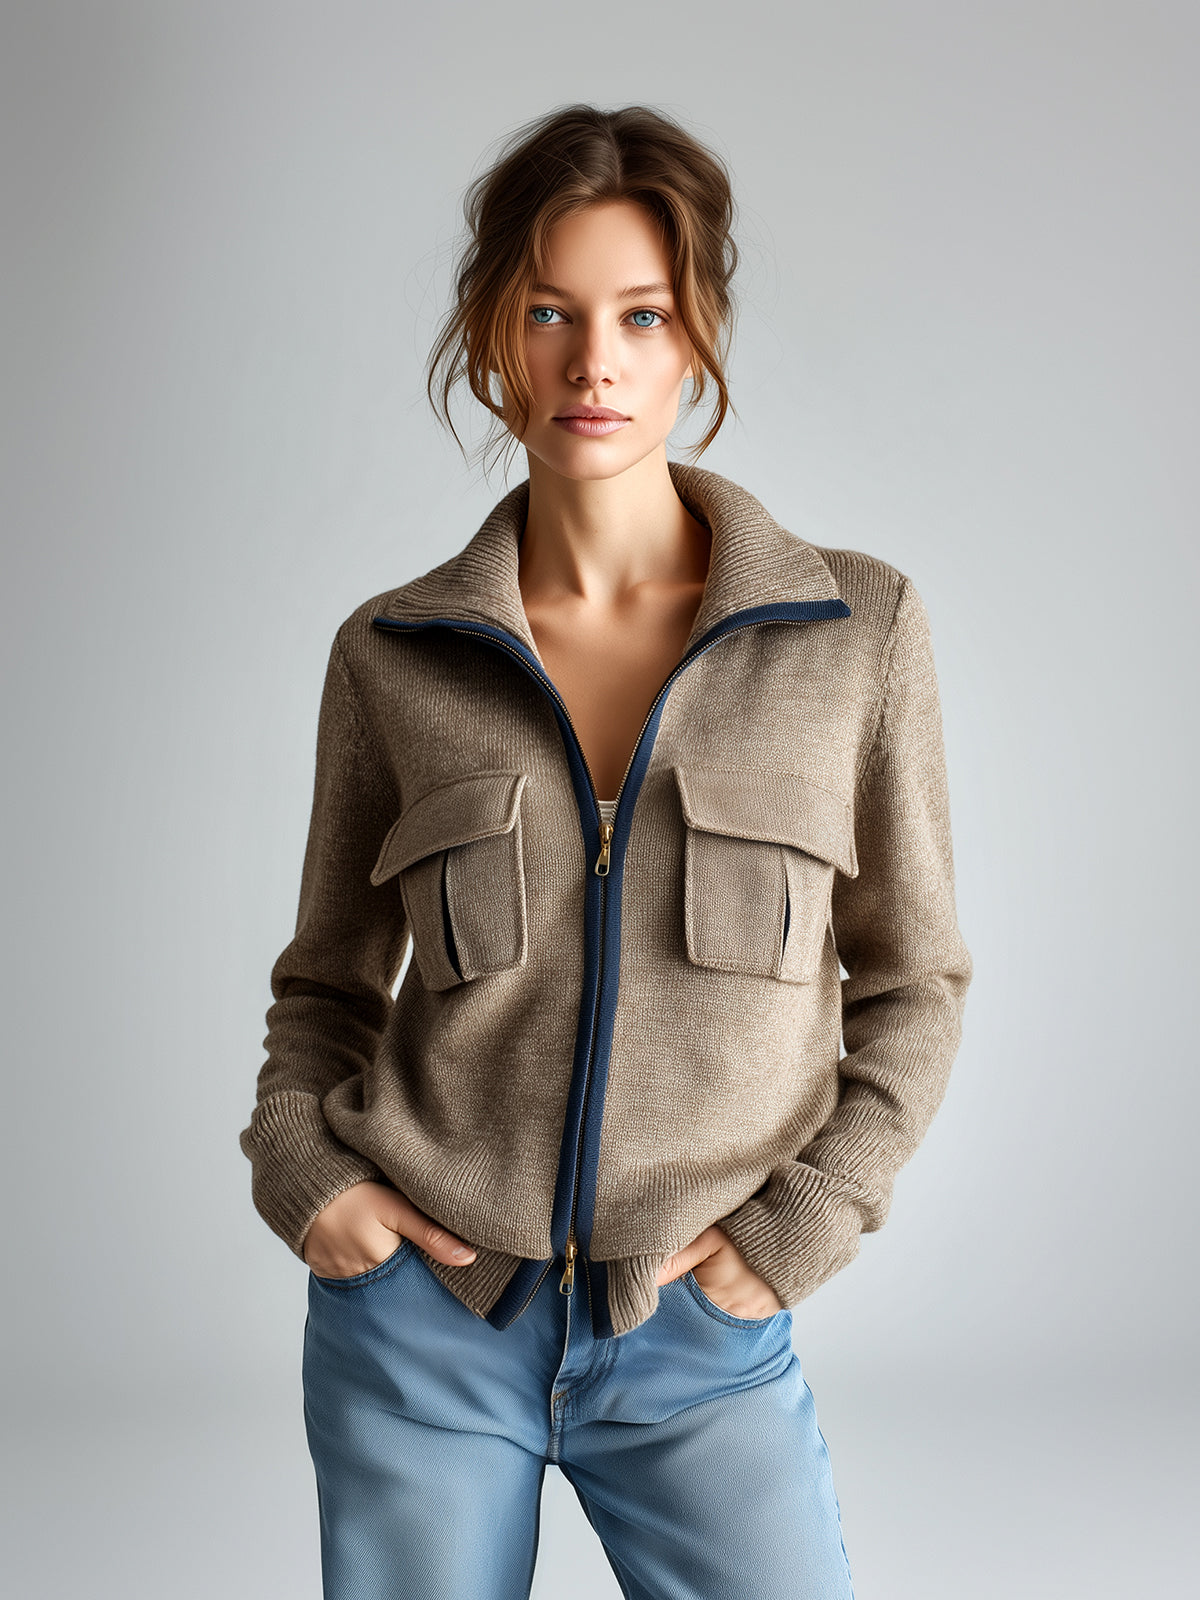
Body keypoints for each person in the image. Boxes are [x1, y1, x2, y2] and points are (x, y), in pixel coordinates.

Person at [239, 102, 973, 1600]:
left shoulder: (856, 634)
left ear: (696, 339)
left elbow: (917, 983)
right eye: (548, 313)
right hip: (427, 1324)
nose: (594, 363)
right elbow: (324, 986)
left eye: (641, 314)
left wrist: (803, 1224)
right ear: (491, 337)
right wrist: (306, 1173)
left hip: (694, 1328)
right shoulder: (393, 656)